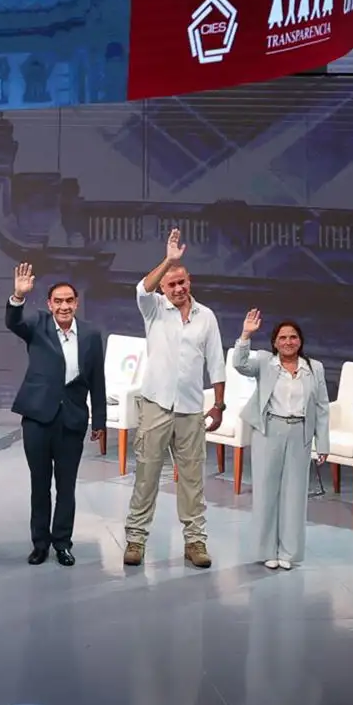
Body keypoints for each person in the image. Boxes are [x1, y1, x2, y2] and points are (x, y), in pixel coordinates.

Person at [126, 229, 226, 569]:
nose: (178, 288)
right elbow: (142, 288)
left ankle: (195, 542)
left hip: (190, 411)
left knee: (193, 481)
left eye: (182, 281)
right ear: (164, 289)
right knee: (146, 477)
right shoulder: (153, 308)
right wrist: (168, 259)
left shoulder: (206, 317)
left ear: (189, 281)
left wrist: (219, 404)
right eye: (172, 284)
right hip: (155, 405)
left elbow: (216, 362)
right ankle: (136, 540)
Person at [6, 265, 106, 566]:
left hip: (72, 419)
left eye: (69, 301)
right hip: (38, 417)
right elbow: (14, 322)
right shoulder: (37, 324)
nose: (64, 306)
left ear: (76, 303)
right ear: (49, 305)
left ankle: (62, 542)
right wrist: (17, 296)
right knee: (40, 484)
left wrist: (99, 419)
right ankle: (40, 544)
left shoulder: (90, 334)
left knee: (66, 485)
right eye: (58, 301)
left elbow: (97, 379)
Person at [232, 310, 330, 569]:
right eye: (283, 337)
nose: (288, 341)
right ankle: (267, 552)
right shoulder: (265, 362)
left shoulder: (314, 368)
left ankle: (289, 552)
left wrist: (323, 443)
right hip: (269, 430)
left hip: (299, 433)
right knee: (265, 492)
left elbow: (322, 407)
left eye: (293, 337)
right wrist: (246, 334)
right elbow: (239, 364)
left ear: (300, 341)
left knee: (294, 495)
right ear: (275, 342)